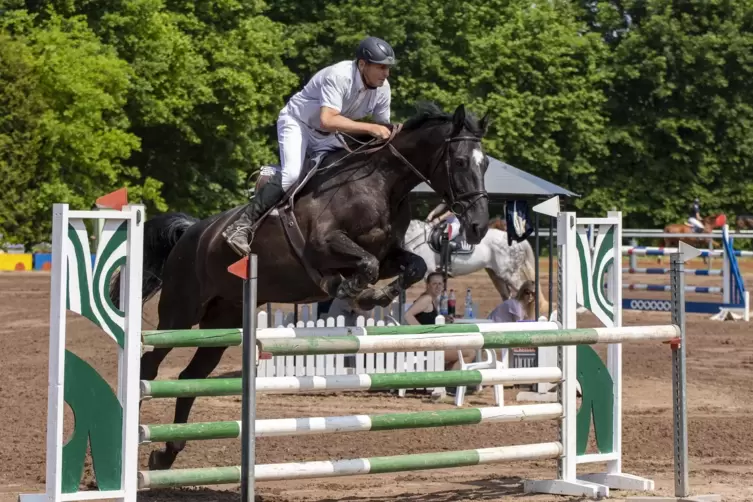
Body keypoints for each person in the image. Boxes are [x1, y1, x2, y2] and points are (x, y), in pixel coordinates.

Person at [223, 36, 398, 256]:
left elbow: (384, 129)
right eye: (381, 67)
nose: (386, 74)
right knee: (292, 173)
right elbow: (328, 119)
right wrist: (370, 128)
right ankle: (241, 225)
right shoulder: (339, 75)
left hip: (329, 134)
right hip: (299, 123)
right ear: (362, 64)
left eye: (388, 68)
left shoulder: (383, 89)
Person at [404, 272, 475, 373]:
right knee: (470, 353)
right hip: (427, 347)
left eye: (440, 284)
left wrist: (444, 318)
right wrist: (423, 333)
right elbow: (408, 315)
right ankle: (450, 382)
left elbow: (426, 318)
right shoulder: (426, 299)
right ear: (428, 285)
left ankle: (447, 379)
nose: (438, 287)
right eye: (434, 284)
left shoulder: (432, 299)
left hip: (432, 344)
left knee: (464, 350)